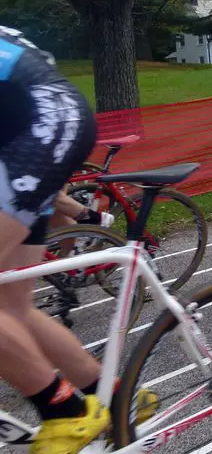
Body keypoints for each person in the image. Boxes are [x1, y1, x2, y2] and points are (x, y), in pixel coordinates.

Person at [0, 25, 156, 454]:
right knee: (10, 307)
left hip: (40, 123)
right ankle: (115, 397)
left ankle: (65, 413)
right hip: (26, 128)